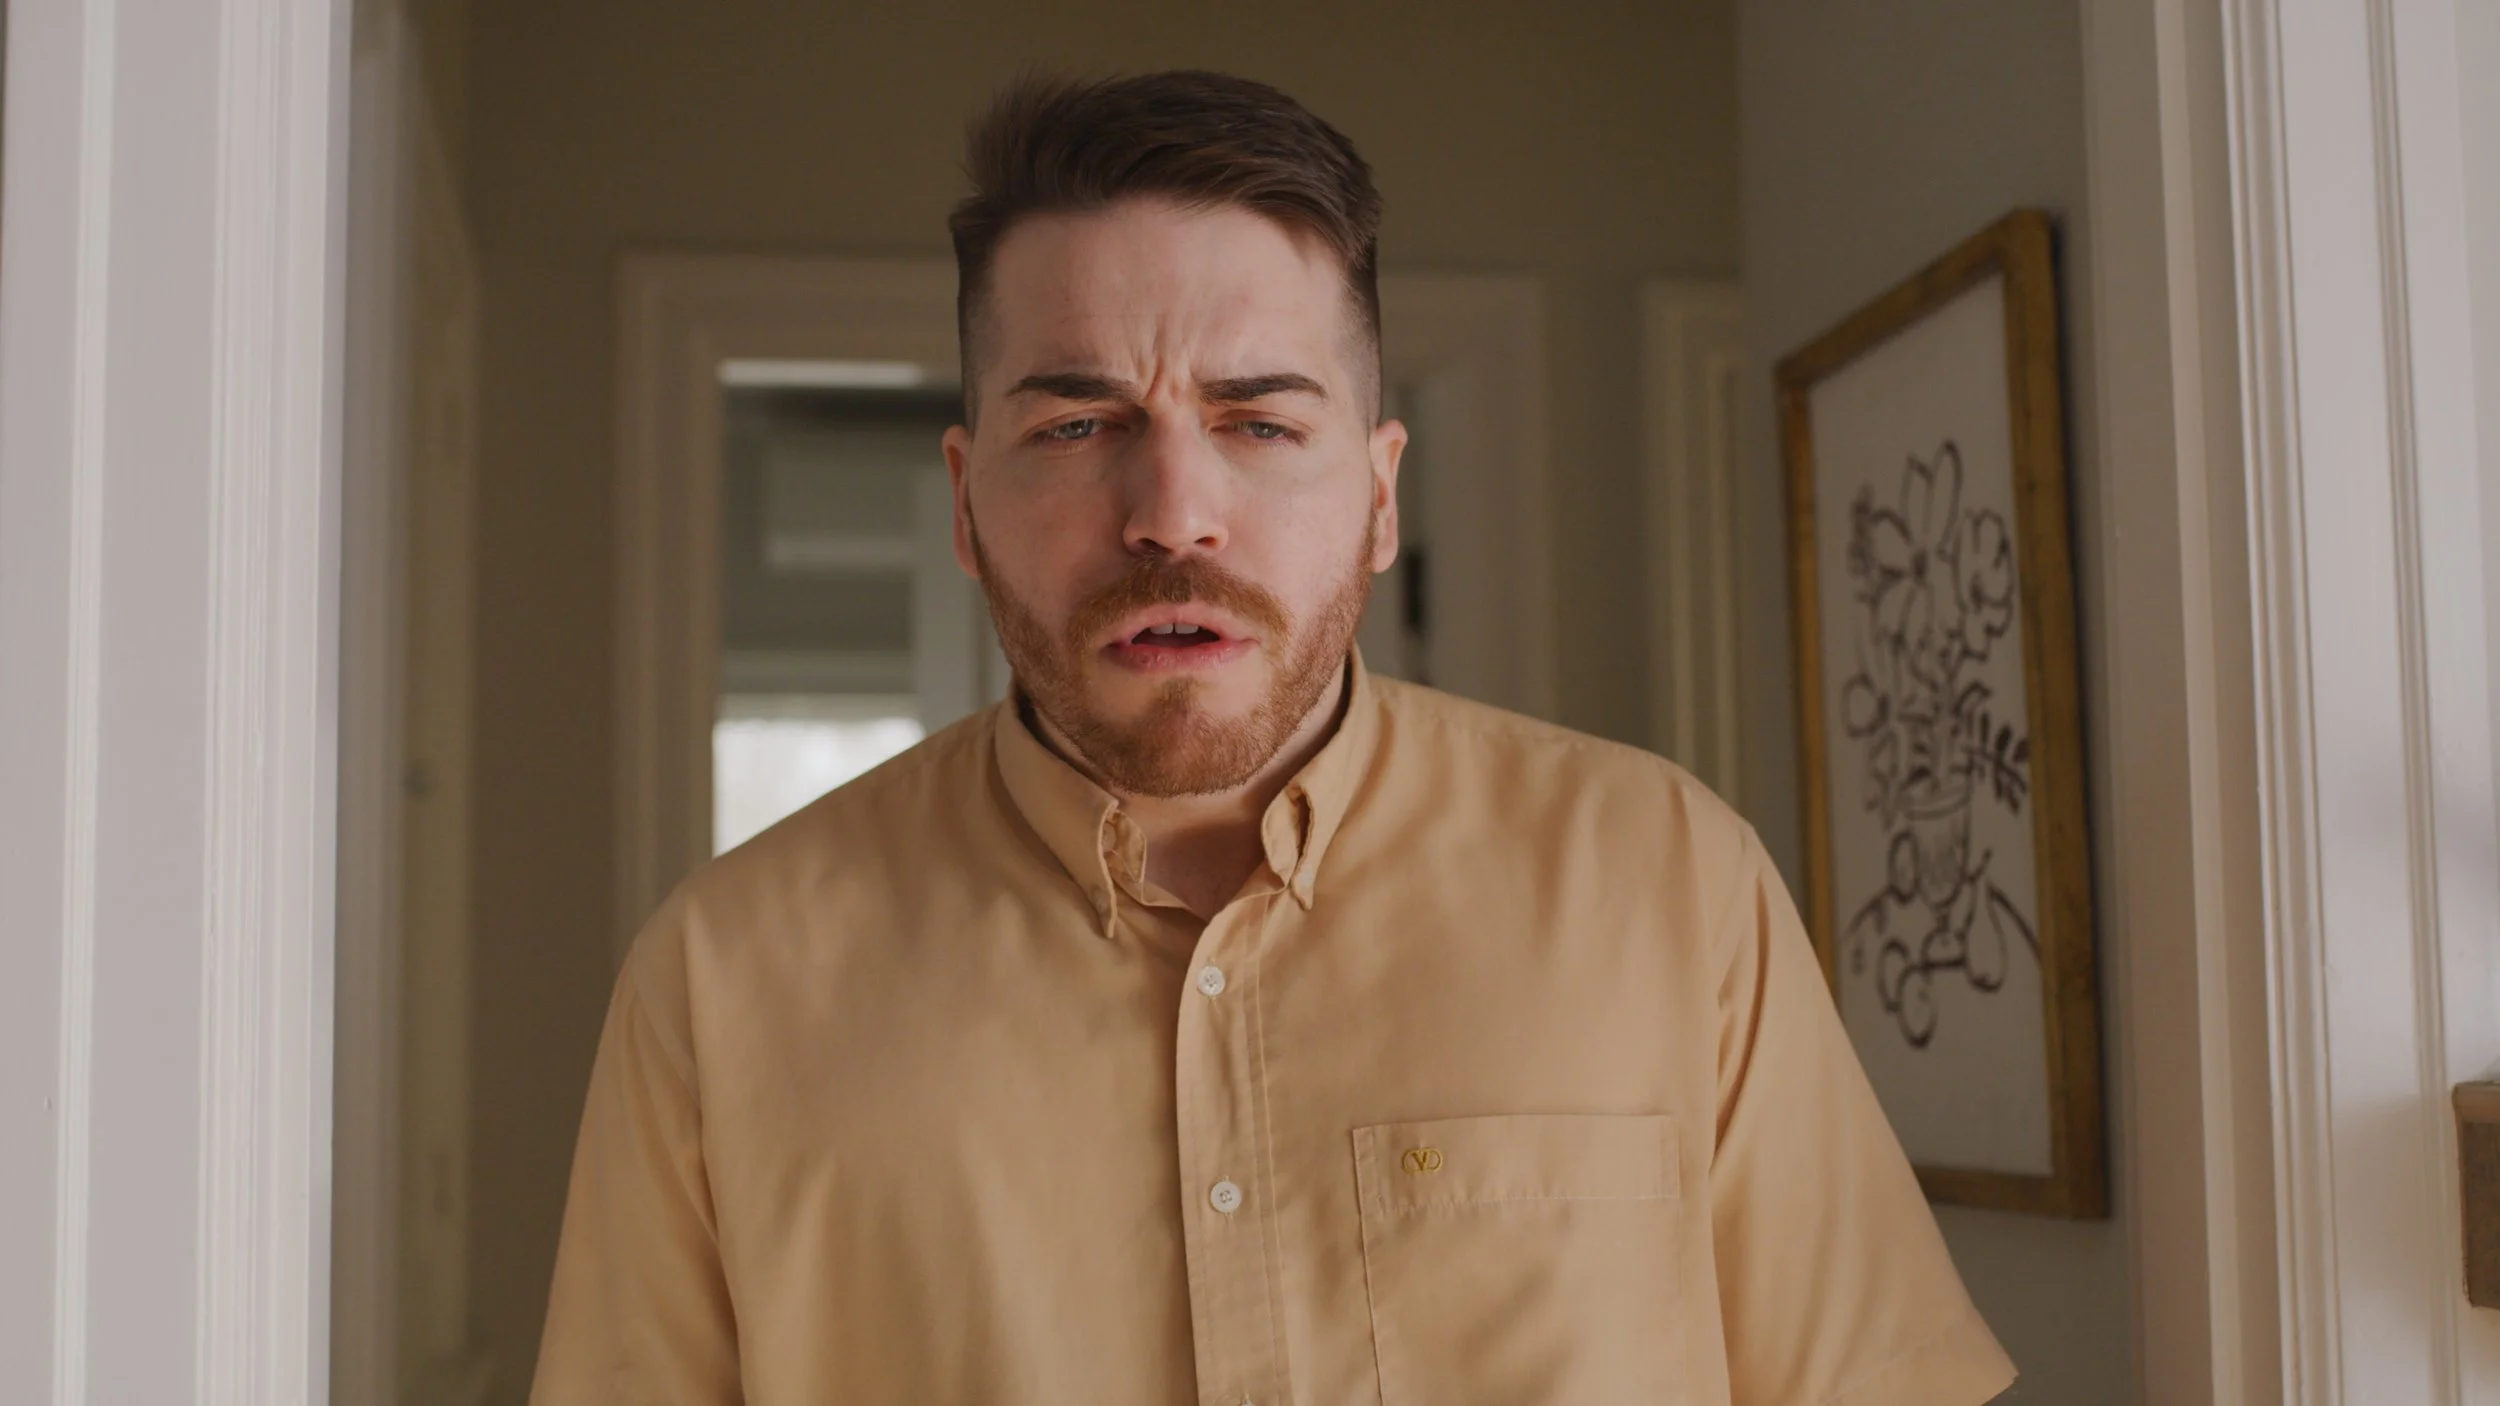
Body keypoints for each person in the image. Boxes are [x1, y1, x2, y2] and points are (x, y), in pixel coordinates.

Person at [531, 69, 2016, 1406]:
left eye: (1258, 423)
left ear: (1380, 496)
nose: (1173, 513)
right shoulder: (719, 983)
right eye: (1076, 426)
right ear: (966, 503)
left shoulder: (1674, 884)